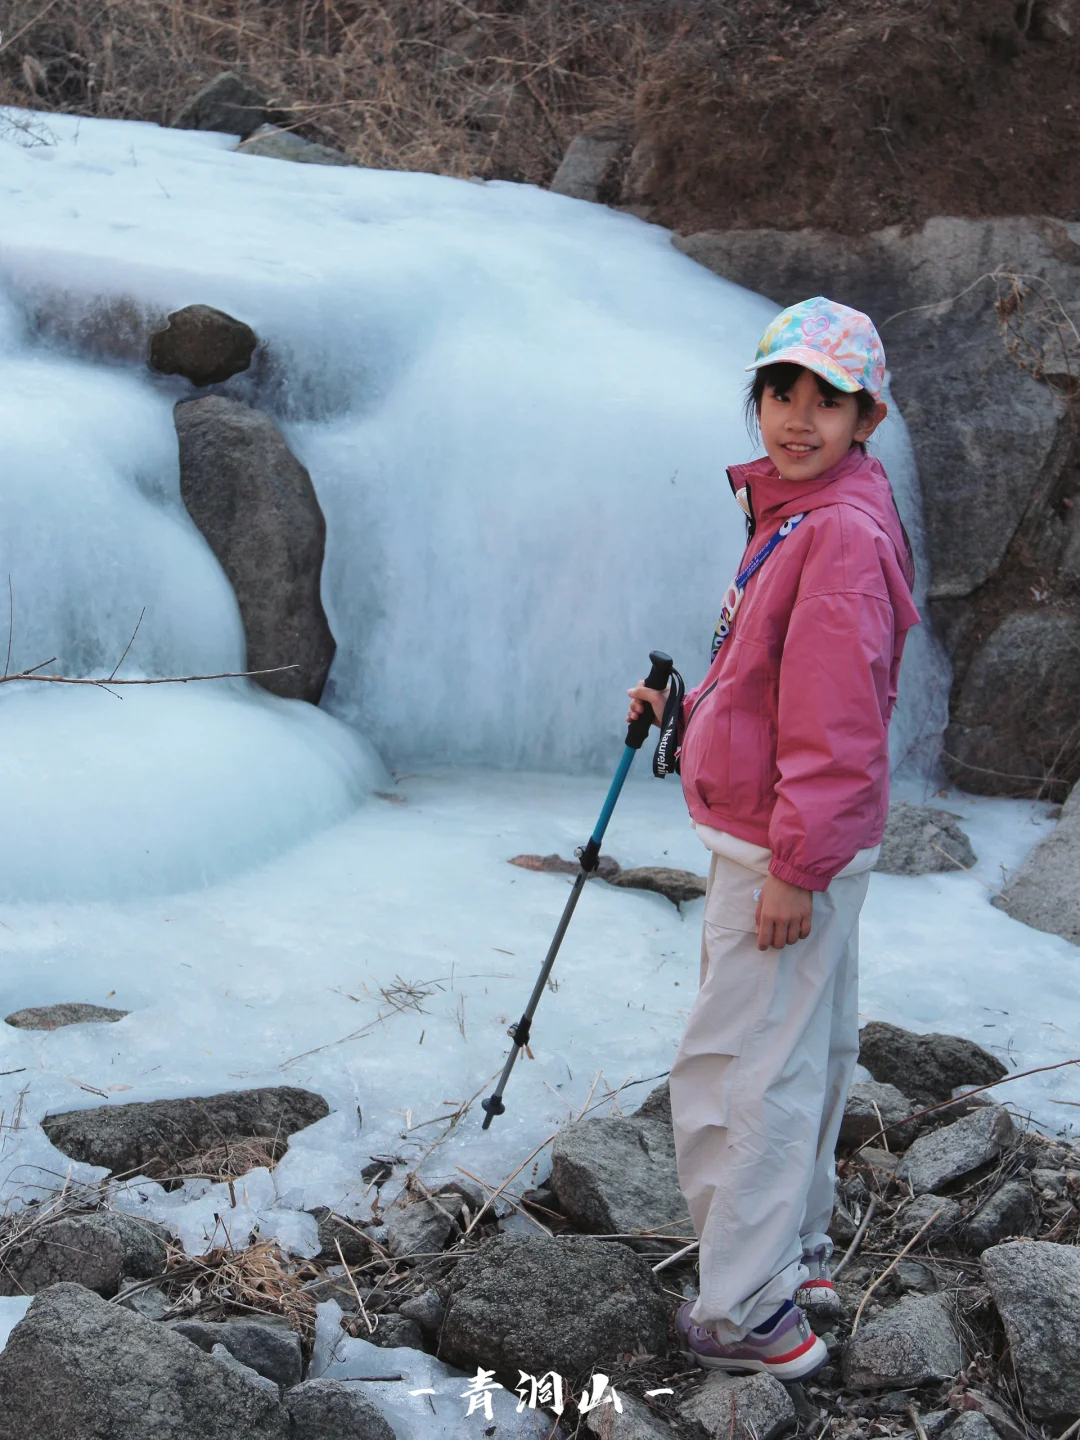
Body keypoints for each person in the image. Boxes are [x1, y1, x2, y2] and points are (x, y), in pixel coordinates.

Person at [628, 296, 920, 1380]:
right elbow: (772, 681)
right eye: (782, 392)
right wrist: (686, 711)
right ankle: (794, 1251)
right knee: (806, 1048)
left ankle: (745, 1311)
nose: (799, 417)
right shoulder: (810, 508)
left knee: (735, 1066)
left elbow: (836, 718)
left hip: (785, 851)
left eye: (828, 400)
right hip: (807, 837)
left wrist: (796, 867)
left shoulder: (831, 532)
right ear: (756, 400)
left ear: (865, 417)